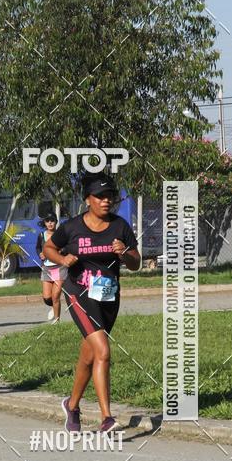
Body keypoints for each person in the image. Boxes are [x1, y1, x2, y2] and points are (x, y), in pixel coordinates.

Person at [43, 175, 141, 434]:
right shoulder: (72, 227)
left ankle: (72, 405)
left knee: (89, 355)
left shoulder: (120, 226)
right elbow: (49, 248)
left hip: (108, 296)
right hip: (79, 293)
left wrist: (124, 253)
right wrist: (62, 261)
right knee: (103, 352)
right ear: (88, 200)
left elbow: (135, 263)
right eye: (100, 196)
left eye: (110, 196)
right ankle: (107, 417)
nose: (106, 200)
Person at [36, 212, 67, 322]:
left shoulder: (61, 234)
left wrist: (57, 251)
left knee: (56, 295)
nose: (50, 223)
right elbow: (38, 248)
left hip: (60, 267)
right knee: (47, 297)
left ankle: (57, 320)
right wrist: (40, 254)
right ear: (44, 223)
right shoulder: (41, 236)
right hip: (46, 268)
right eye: (47, 221)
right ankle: (53, 308)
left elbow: (66, 248)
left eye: (52, 221)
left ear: (56, 222)